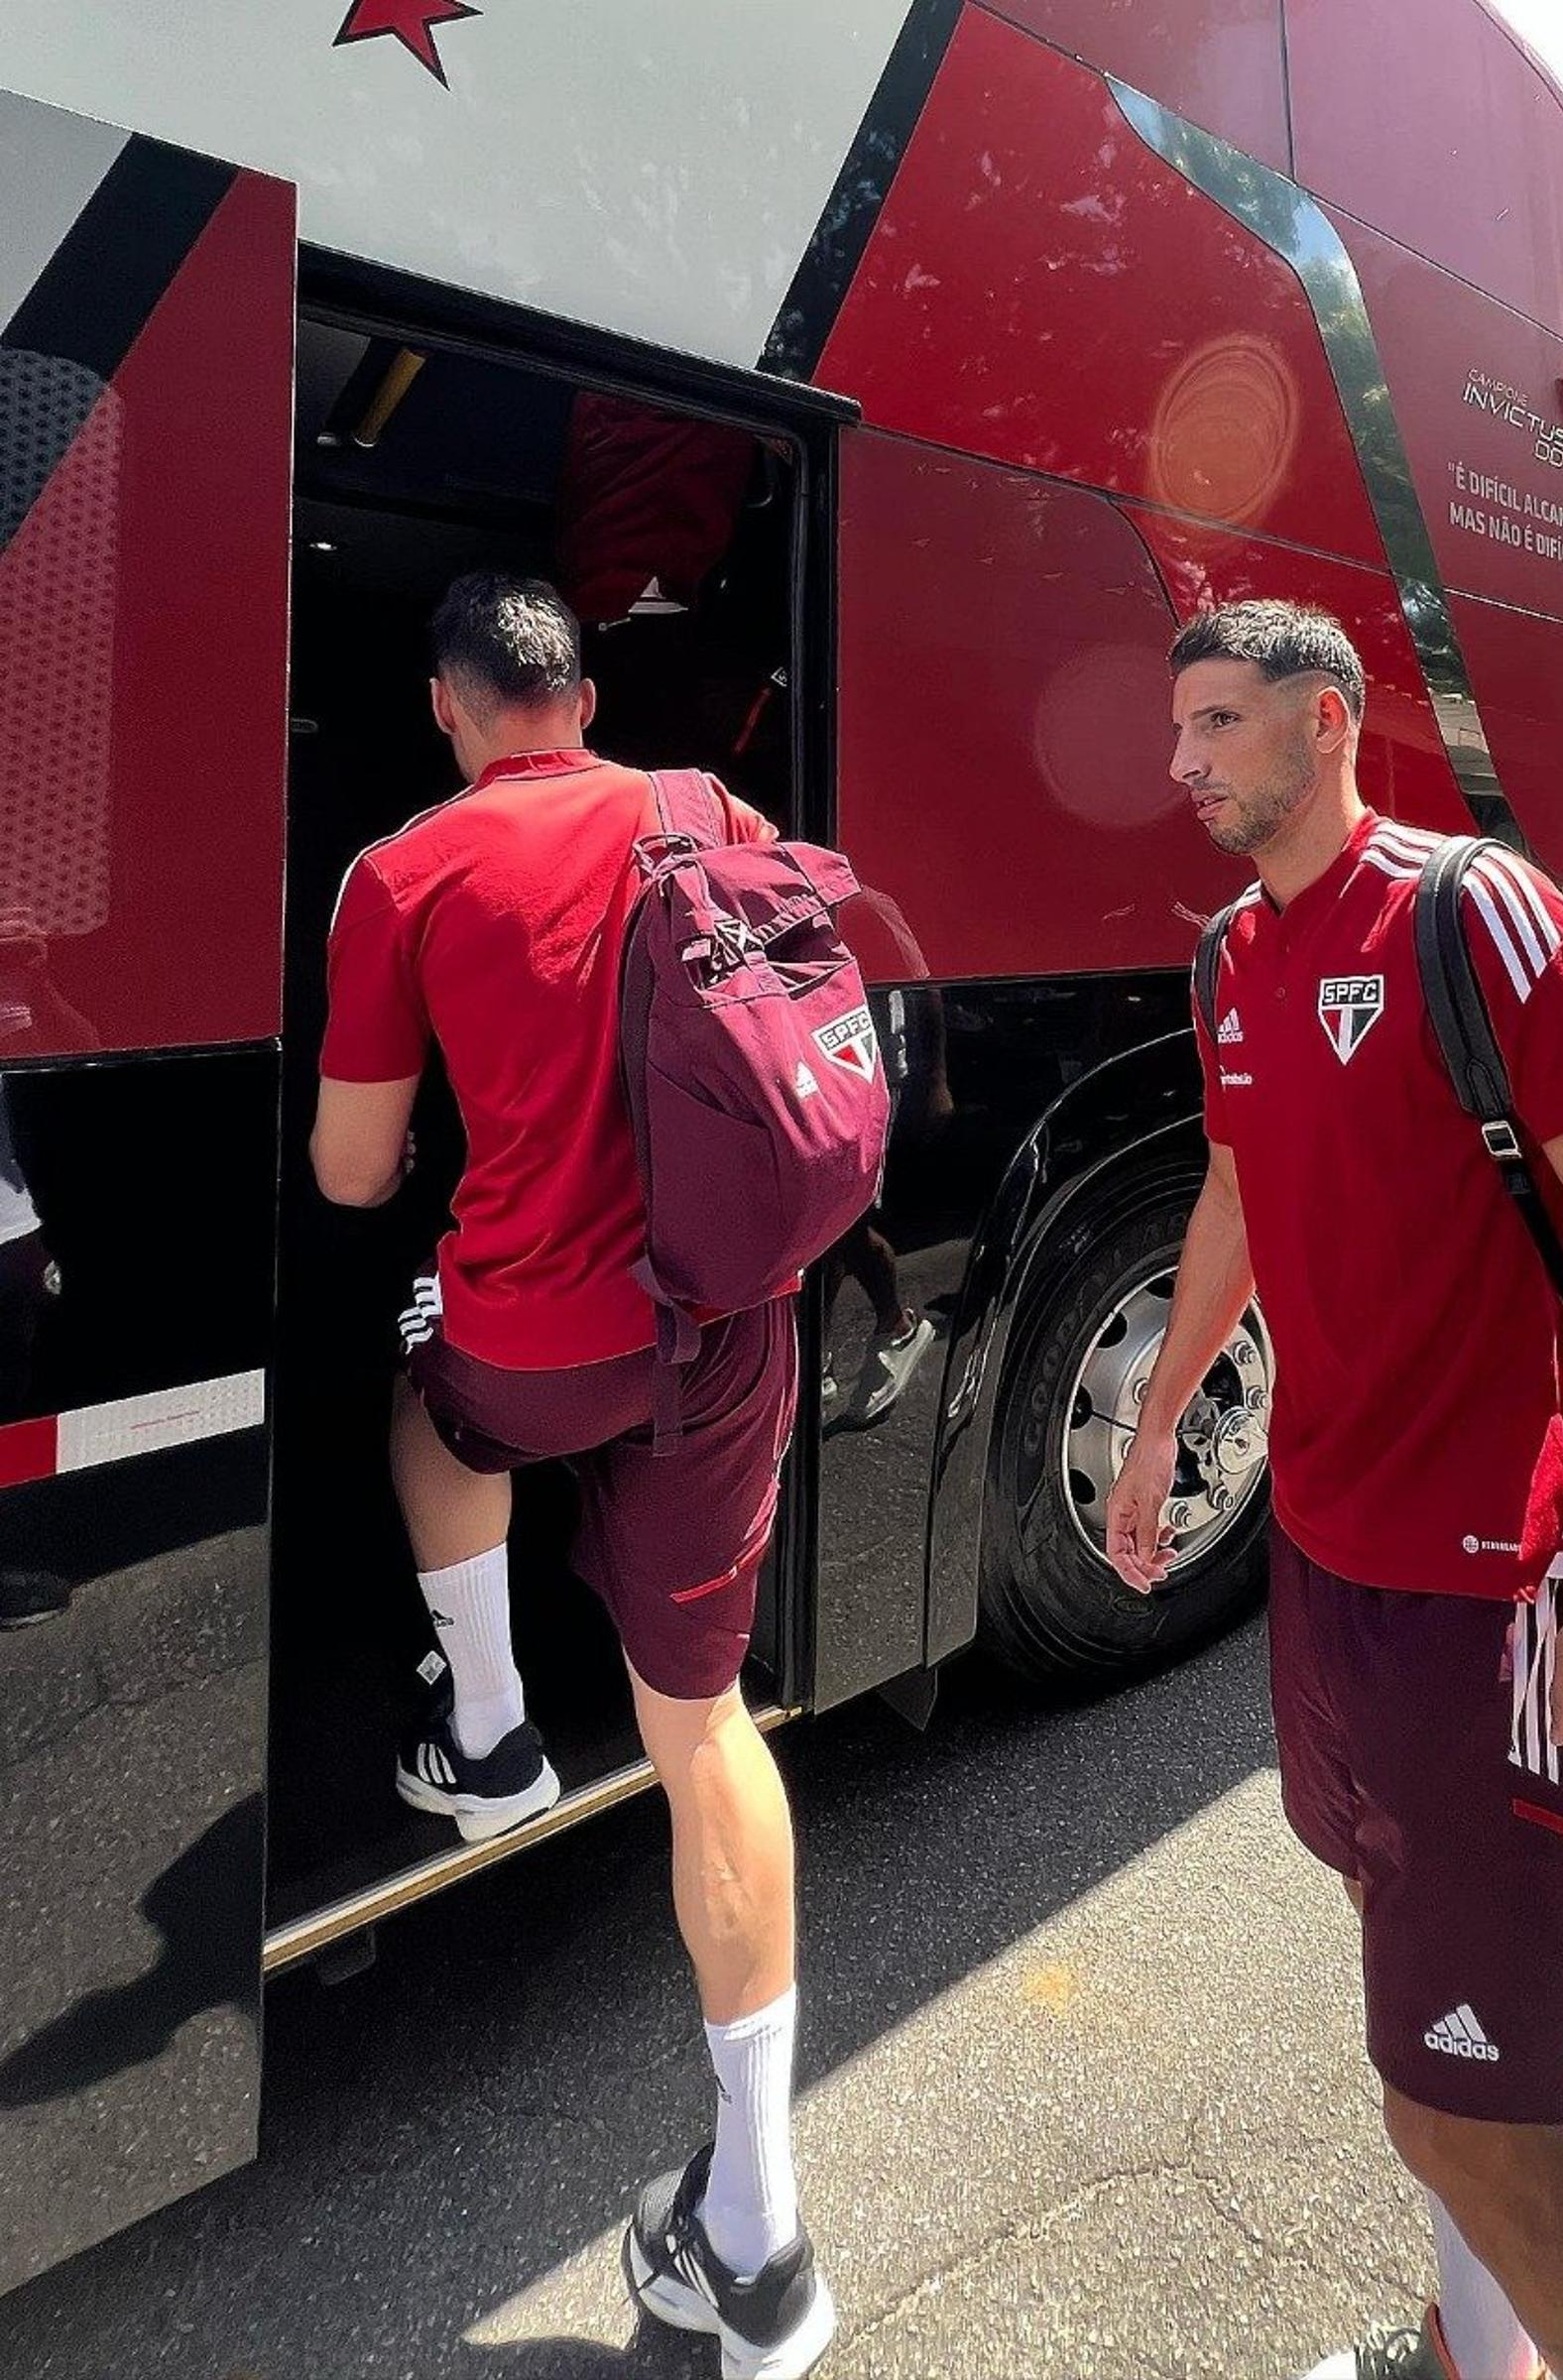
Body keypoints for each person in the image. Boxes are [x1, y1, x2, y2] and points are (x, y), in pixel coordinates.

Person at [1108, 602, 1563, 2380]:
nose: (1182, 765)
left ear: (1331, 720)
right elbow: (1234, 1193)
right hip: (1327, 1562)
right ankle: (1481, 2345)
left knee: (1468, 2114)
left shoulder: (1471, 912)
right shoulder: (1226, 958)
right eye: (1177, 730)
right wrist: (1158, 1425)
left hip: (1494, 1585)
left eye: (1218, 724)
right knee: (1423, 2014)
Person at [311, 573, 834, 2378]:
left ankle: (493, 1731)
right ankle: (759, 2237)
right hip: (724, 1323)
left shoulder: (397, 873)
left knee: (422, 1399)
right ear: (585, 696)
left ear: (447, 708)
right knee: (708, 1739)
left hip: (535, 1345)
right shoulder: (707, 810)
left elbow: (355, 1175)